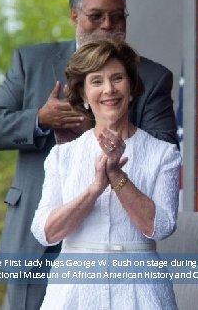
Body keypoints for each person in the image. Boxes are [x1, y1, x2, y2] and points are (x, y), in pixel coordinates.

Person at [0, 0, 178, 309]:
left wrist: (99, 127)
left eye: (117, 16)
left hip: (122, 237)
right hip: (37, 232)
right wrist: (40, 119)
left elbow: (161, 146)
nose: (108, 25)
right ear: (75, 16)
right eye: (96, 16)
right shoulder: (32, 62)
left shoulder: (150, 75)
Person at [30, 38, 181, 309]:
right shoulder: (62, 156)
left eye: (117, 78)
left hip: (140, 291)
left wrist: (117, 177)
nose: (109, 89)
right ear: (84, 95)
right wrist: (95, 188)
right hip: (73, 292)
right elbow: (46, 232)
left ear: (132, 88)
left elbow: (160, 227)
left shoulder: (163, 154)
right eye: (96, 81)